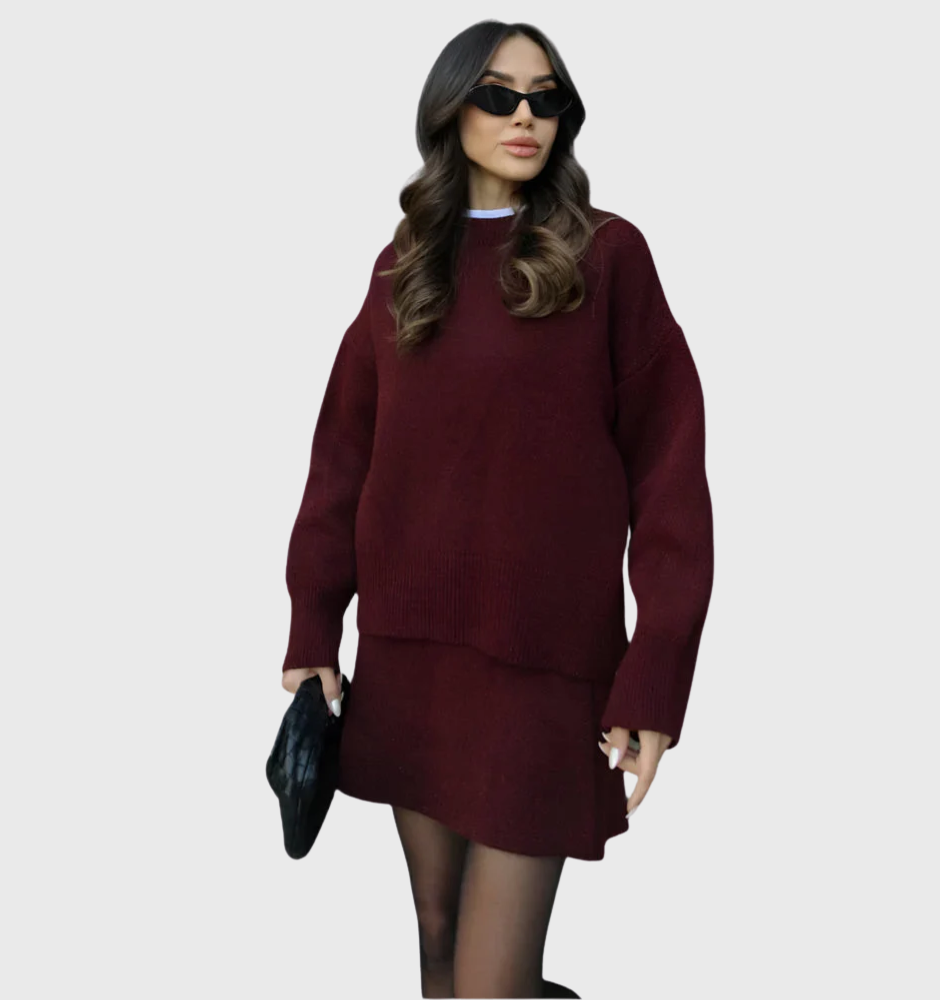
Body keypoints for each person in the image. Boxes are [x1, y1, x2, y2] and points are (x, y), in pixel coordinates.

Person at [278, 19, 714, 1000]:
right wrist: (314, 625)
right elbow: (342, 457)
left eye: (546, 97)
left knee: (488, 984)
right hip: (410, 664)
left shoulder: (608, 257)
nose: (526, 115)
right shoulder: (403, 268)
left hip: (543, 671)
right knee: (438, 950)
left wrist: (656, 672)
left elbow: (670, 474)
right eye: (499, 94)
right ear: (450, 110)